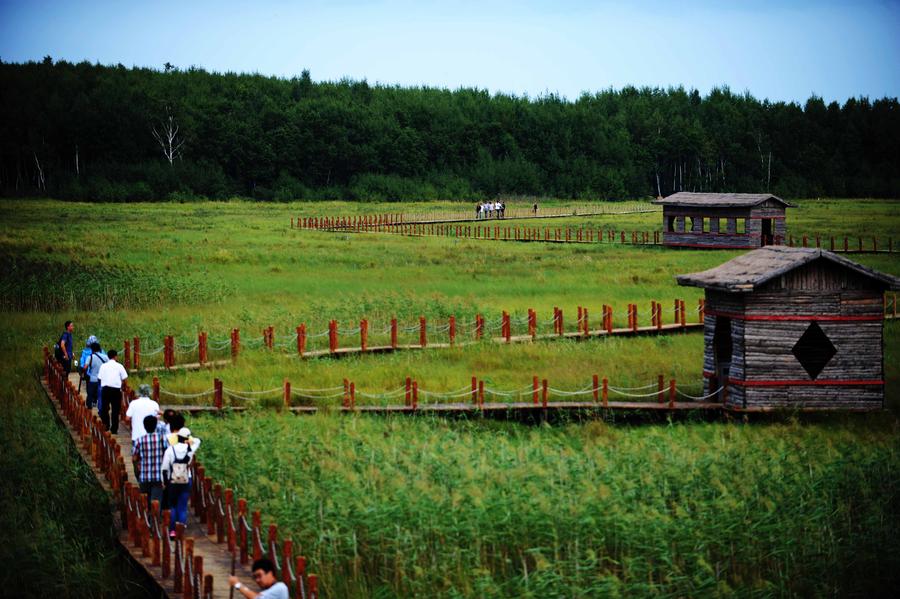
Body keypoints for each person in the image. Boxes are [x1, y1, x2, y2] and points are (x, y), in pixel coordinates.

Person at [161, 426, 200, 536]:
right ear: (188, 438)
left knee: (172, 506)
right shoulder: (190, 450)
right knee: (182, 507)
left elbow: (164, 467)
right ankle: (181, 530)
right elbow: (198, 440)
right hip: (186, 480)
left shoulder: (170, 450)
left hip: (172, 481)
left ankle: (172, 531)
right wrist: (190, 439)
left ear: (178, 437)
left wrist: (164, 482)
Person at [133, 415, 168, 509]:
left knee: (145, 503)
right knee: (156, 502)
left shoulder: (139, 440)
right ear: (156, 425)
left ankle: (147, 520)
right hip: (158, 476)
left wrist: (138, 471)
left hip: (144, 476)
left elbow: (134, 458)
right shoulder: (163, 439)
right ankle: (155, 521)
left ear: (144, 426)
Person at [98, 349, 128, 433]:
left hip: (106, 389)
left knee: (105, 408)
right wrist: (124, 386)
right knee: (115, 409)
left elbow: (99, 378)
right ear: (115, 356)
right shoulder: (119, 366)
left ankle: (106, 426)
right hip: (116, 390)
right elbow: (125, 378)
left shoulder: (103, 366)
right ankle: (114, 429)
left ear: (108, 356)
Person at [125, 383, 161, 451]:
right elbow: (157, 418)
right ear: (149, 393)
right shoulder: (154, 404)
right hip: (150, 436)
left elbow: (127, 418)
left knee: (136, 457)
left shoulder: (133, 403)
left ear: (139, 393)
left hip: (136, 435)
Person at [83, 341, 108, 409]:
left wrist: (84, 373)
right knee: (101, 394)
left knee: (90, 393)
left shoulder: (90, 357)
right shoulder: (105, 357)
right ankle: (101, 406)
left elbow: (85, 367)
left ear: (92, 349)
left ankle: (89, 406)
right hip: (102, 379)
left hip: (92, 378)